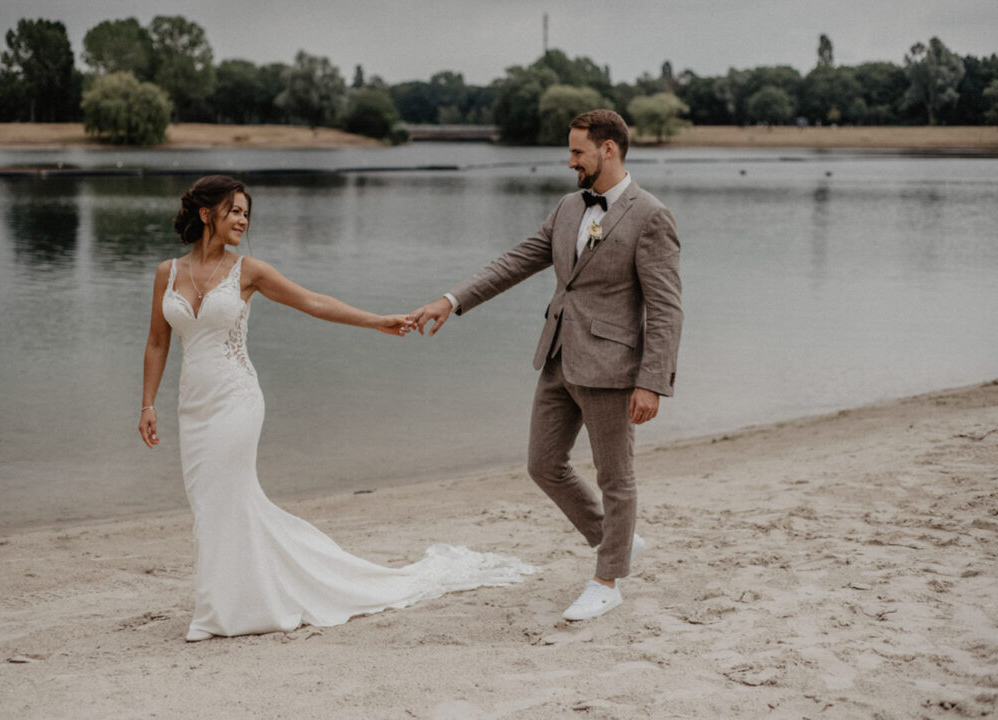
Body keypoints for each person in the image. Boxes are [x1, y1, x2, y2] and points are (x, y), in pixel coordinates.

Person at [140, 175, 534, 642]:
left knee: (225, 496)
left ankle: (216, 613)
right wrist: (148, 402)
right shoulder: (167, 273)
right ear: (207, 214)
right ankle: (235, 600)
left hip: (236, 400)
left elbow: (313, 303)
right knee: (210, 503)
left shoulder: (249, 271)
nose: (244, 220)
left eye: (247, 212)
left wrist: (377, 321)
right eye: (235, 211)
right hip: (193, 406)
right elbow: (157, 342)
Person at [410, 110, 683, 621]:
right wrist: (451, 300)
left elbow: (666, 307)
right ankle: (616, 541)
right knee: (543, 464)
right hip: (557, 357)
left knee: (615, 478)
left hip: (612, 366)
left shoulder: (651, 216)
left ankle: (608, 580)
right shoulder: (567, 207)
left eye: (578, 151)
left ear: (608, 149)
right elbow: (515, 261)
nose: (570, 160)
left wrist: (652, 382)